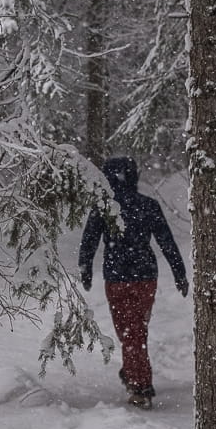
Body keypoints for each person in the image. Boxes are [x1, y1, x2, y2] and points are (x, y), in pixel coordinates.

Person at [77, 156, 187, 409]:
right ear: (134, 176)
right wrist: (179, 273)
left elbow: (89, 241)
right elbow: (166, 242)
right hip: (145, 277)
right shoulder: (147, 205)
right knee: (136, 330)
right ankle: (134, 374)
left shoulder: (104, 206)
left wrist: (86, 270)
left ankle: (140, 385)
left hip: (117, 278)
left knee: (129, 332)